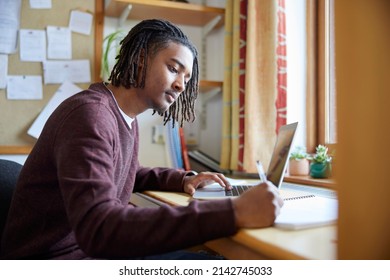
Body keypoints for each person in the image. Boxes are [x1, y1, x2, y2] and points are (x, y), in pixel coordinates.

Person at [0, 19, 283, 260]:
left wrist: (182, 179)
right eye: (174, 69)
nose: (181, 85)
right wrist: (233, 211)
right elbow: (99, 228)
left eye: (186, 77)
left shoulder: (121, 116)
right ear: (140, 59)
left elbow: (126, 172)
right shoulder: (91, 115)